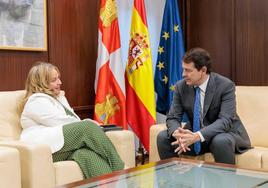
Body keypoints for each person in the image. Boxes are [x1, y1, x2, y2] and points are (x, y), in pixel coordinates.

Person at [20, 62, 124, 178]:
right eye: (54, 80)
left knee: (86, 155)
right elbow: (62, 122)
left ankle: (114, 183)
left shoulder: (58, 98)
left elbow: (73, 121)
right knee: (87, 128)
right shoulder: (35, 102)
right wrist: (89, 124)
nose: (60, 82)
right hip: (45, 148)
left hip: (62, 145)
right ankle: (121, 170)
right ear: (41, 83)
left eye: (59, 78)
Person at [157, 48, 251, 164]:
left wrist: (197, 136)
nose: (183, 74)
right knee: (163, 137)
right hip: (196, 136)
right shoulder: (181, 87)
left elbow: (226, 121)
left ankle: (227, 182)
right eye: (183, 70)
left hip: (224, 133)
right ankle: (172, 180)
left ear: (203, 70)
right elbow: (173, 117)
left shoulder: (225, 85)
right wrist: (178, 134)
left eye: (188, 70)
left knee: (220, 141)